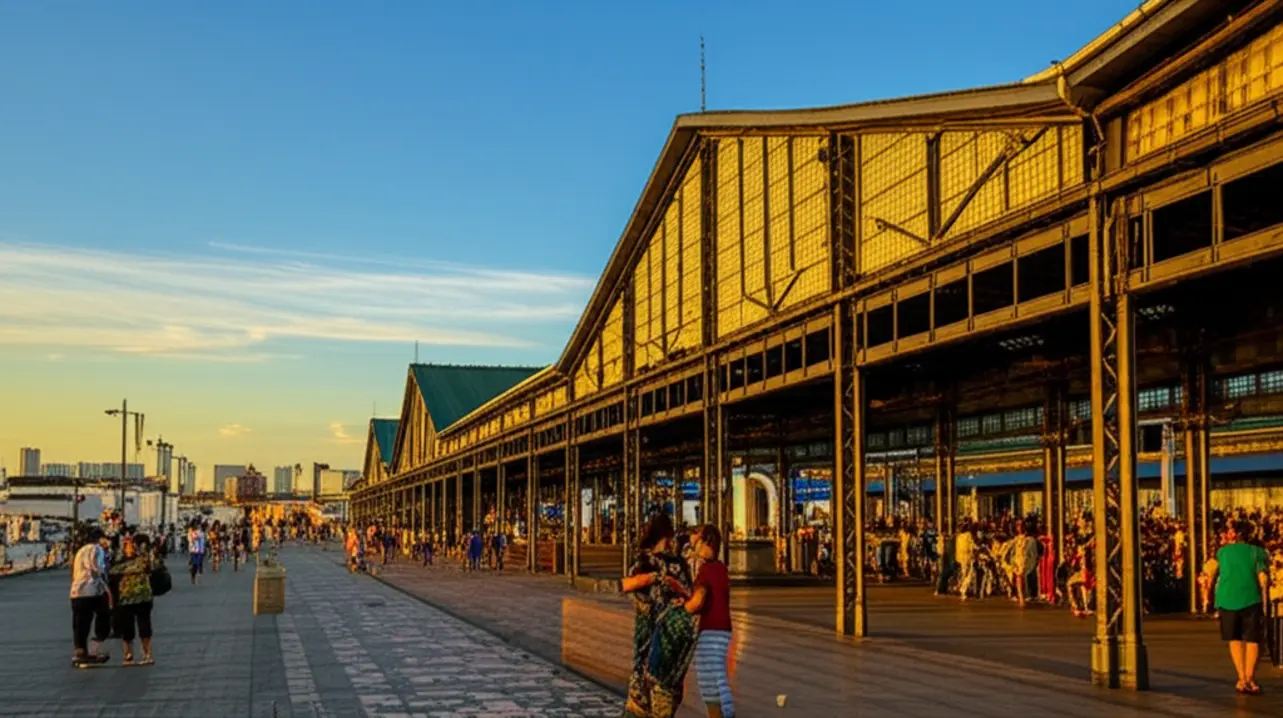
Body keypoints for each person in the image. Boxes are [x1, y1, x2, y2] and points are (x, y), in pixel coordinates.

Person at [619, 513, 697, 718]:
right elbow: (690, 598)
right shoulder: (677, 564)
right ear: (669, 536)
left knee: (638, 706)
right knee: (663, 702)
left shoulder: (642, 561)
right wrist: (662, 580)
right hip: (668, 647)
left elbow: (625, 585)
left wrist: (651, 579)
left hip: (645, 644)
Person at [1210, 520, 1270, 695]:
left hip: (1227, 598)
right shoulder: (1257, 552)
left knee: (1234, 638)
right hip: (1251, 598)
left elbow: (1210, 571)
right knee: (1253, 639)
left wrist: (1209, 597)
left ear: (1235, 534)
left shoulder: (1222, 552)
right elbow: (1263, 578)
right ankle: (1250, 678)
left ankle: (1241, 677)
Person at [685, 525, 734, 718]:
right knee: (714, 676)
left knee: (711, 679)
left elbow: (698, 600)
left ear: (706, 542)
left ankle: (726, 713)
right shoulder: (720, 568)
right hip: (722, 629)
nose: (694, 548)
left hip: (711, 629)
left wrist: (683, 608)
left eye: (696, 543)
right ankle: (721, 713)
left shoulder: (707, 570)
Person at [110, 533, 156, 665]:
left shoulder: (144, 557)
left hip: (142, 596)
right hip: (126, 597)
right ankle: (128, 654)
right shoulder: (118, 559)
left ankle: (147, 653)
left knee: (144, 626)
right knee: (127, 627)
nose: (128, 547)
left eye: (130, 545)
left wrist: (125, 568)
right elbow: (112, 572)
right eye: (126, 545)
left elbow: (147, 567)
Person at [70, 527, 113, 667]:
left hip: (76, 591)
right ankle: (95, 645)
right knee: (104, 615)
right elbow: (97, 568)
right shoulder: (97, 549)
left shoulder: (80, 551)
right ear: (99, 539)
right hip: (92, 590)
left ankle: (80, 650)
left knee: (80, 622)